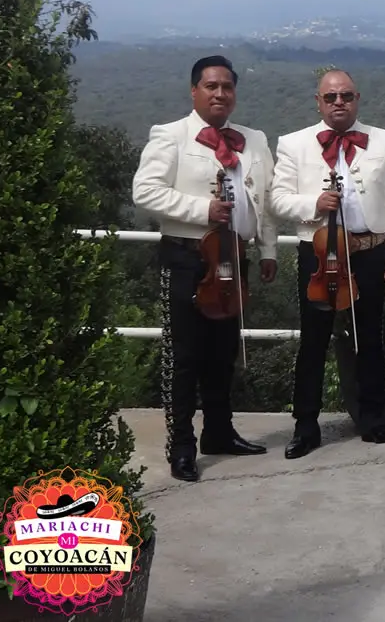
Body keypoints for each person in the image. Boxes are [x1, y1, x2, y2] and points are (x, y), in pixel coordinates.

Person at [132, 55, 279, 482]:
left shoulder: (254, 139)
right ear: (194, 91)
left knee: (223, 352)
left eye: (227, 87)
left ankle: (219, 432)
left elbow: (266, 202)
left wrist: (268, 250)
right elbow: (145, 191)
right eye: (211, 86)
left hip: (235, 255)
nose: (219, 93)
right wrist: (202, 209)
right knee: (185, 356)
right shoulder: (171, 135)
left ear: (234, 93)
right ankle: (181, 447)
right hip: (186, 256)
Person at [269, 68, 385, 459]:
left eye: (346, 96)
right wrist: (312, 204)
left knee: (370, 337)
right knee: (313, 341)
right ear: (318, 101)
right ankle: (305, 426)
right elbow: (278, 200)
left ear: (357, 99)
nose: (338, 103)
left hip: (370, 250)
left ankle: (373, 419)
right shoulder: (294, 143)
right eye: (330, 97)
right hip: (317, 253)